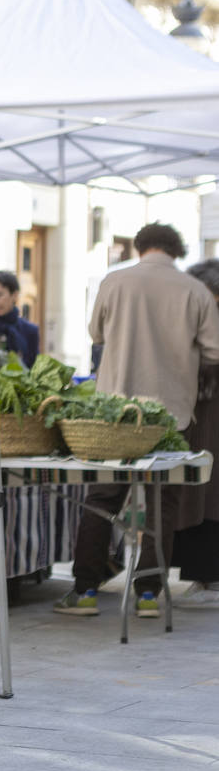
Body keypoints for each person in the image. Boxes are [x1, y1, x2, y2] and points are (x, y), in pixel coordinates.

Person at [55, 223, 219, 618]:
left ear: (140, 246)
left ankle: (85, 591)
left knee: (102, 501)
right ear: (176, 250)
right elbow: (215, 351)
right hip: (171, 416)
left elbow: (96, 334)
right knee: (161, 504)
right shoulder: (195, 290)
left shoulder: (114, 281)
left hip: (116, 415)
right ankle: (148, 595)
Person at [172, 258, 219, 608]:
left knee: (208, 493)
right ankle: (200, 572)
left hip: (207, 413)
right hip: (198, 413)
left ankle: (207, 572)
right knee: (198, 492)